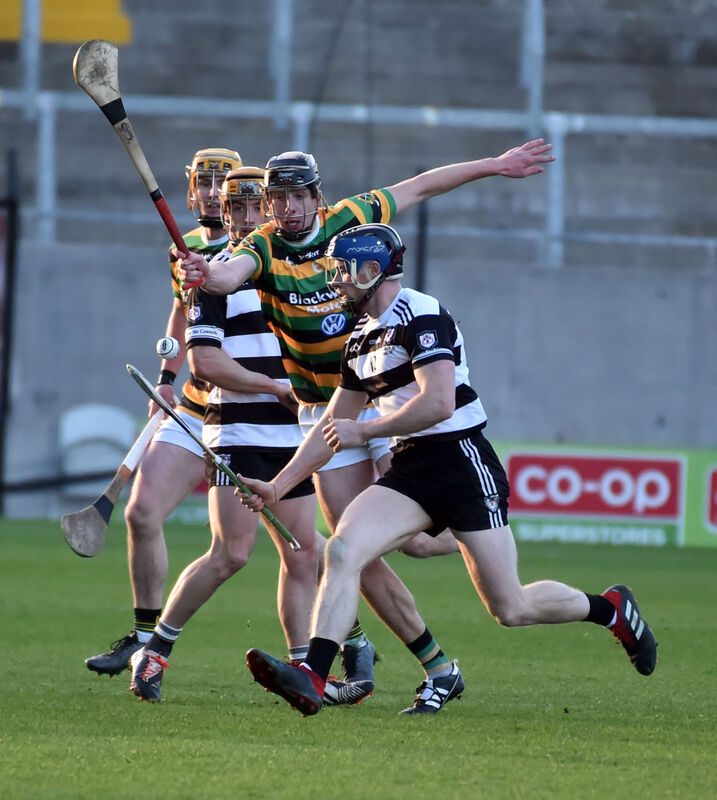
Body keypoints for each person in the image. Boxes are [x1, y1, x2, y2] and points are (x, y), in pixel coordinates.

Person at [179, 140, 557, 711]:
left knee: (400, 548)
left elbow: (422, 183)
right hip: (330, 410)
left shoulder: (352, 222)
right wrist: (207, 272)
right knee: (357, 549)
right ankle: (432, 665)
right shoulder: (260, 246)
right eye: (277, 199)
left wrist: (493, 166)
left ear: (316, 196)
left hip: (380, 401)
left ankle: (476, 526)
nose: (287, 209)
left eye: (297, 197)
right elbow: (231, 276)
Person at [238, 222, 659, 717]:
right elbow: (333, 423)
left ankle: (610, 609)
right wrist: (278, 484)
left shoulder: (421, 313)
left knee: (511, 608)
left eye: (341, 271)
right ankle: (313, 675)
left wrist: (367, 432)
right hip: (412, 466)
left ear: (373, 270)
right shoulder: (359, 340)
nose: (335, 282)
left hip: (461, 460)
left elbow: (438, 403)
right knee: (345, 548)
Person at [129, 167, 369, 705]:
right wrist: (271, 385)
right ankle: (155, 651)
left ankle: (306, 671)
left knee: (304, 554)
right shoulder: (213, 278)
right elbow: (205, 363)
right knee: (231, 553)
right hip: (238, 427)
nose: (243, 218)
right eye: (234, 210)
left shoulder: (296, 268)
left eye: (252, 207)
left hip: (295, 428)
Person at [85, 148, 242, 676]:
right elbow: (181, 308)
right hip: (197, 407)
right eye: (205, 181)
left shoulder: (256, 248)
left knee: (294, 546)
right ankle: (144, 636)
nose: (213, 192)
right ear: (191, 188)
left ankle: (349, 638)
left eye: (224, 183)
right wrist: (168, 379)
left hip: (250, 413)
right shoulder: (184, 247)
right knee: (141, 513)